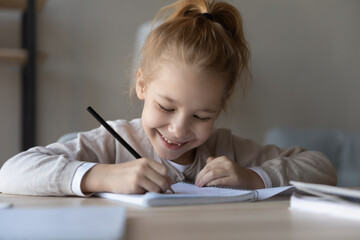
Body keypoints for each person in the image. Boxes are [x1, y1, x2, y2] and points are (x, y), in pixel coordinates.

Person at [0, 0, 336, 196]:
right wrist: (102, 176)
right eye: (166, 107)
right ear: (142, 85)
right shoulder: (113, 143)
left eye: (201, 117)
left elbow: (322, 168)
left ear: (221, 106)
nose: (178, 129)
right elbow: (11, 172)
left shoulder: (227, 150)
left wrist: (254, 178)